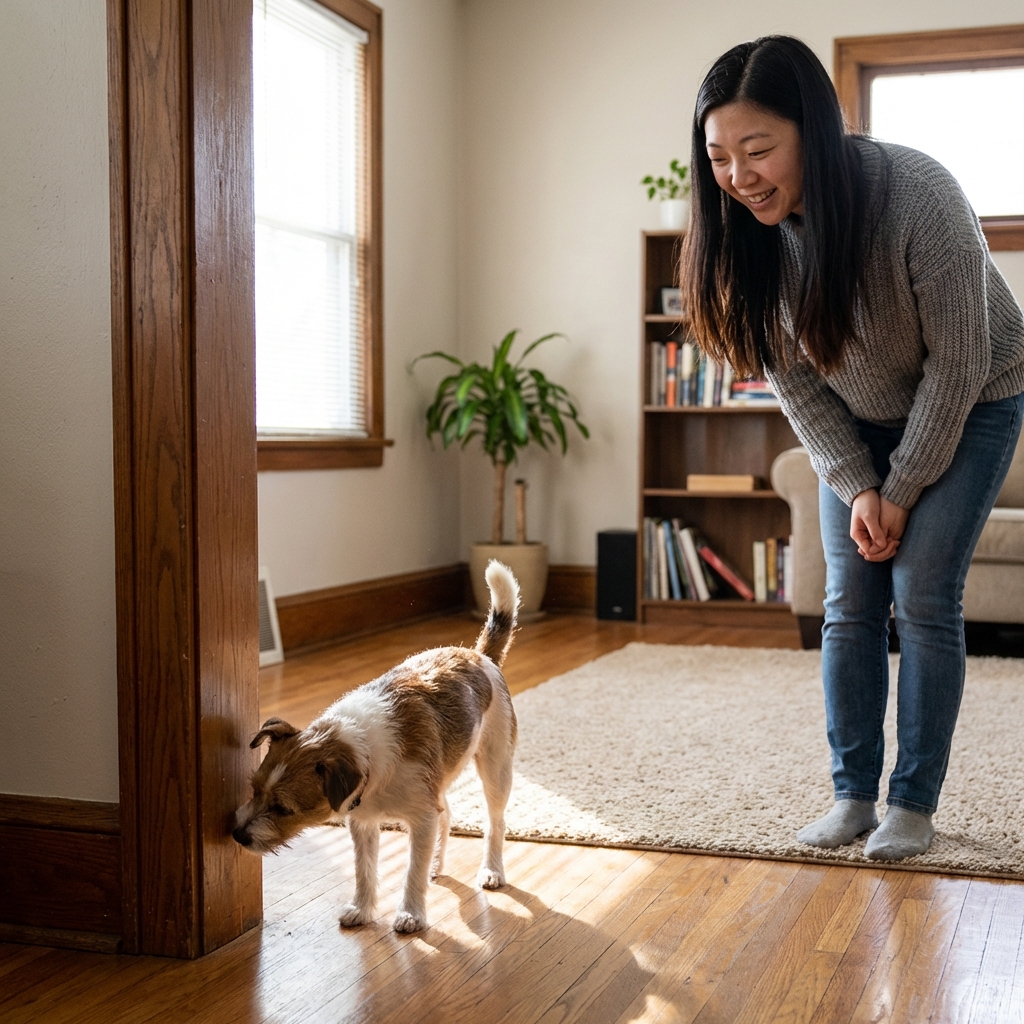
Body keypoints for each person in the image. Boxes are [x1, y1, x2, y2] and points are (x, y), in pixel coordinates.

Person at [680, 35, 1024, 860]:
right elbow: (794, 381)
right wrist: (856, 482)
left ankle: (913, 804)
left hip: (975, 396)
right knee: (850, 602)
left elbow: (962, 360)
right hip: (855, 418)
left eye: (758, 149)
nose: (739, 176)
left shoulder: (916, 192)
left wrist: (899, 489)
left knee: (923, 592)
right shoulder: (742, 235)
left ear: (816, 132)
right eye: (720, 156)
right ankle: (852, 797)